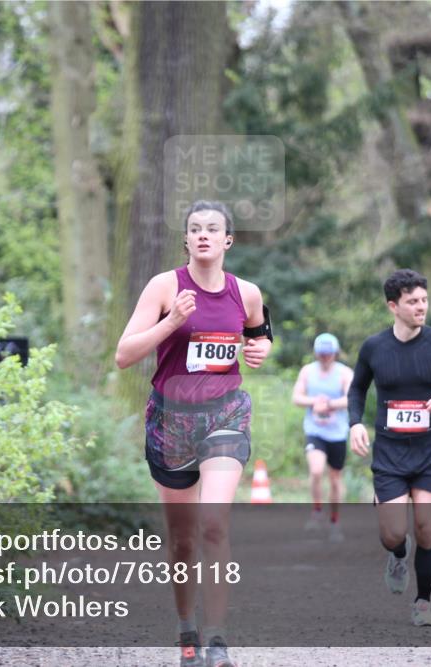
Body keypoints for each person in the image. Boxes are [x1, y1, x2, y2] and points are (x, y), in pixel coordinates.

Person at [115, 200, 273, 667]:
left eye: (213, 229)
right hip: (171, 422)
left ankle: (218, 641)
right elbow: (124, 355)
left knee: (213, 522)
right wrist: (171, 323)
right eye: (195, 228)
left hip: (225, 415)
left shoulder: (246, 293)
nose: (203, 235)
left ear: (228, 240)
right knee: (182, 541)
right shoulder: (165, 287)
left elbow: (259, 334)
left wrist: (260, 349)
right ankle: (187, 628)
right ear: (186, 239)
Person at [347, 269, 431, 627]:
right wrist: (355, 423)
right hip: (390, 455)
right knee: (393, 534)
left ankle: (423, 604)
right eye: (412, 302)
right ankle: (397, 554)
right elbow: (357, 389)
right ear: (393, 306)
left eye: (424, 300)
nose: (421, 307)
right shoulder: (374, 347)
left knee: (426, 527)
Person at [292, 333, 352, 542]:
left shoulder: (344, 373)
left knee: (335, 480)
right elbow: (296, 397)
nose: (325, 357)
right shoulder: (308, 371)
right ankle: (317, 511)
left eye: (329, 354)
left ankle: (335, 520)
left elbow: (352, 398)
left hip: (337, 433)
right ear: (316, 353)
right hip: (315, 431)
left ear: (335, 353)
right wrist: (314, 402)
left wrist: (330, 404)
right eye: (322, 354)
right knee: (316, 471)